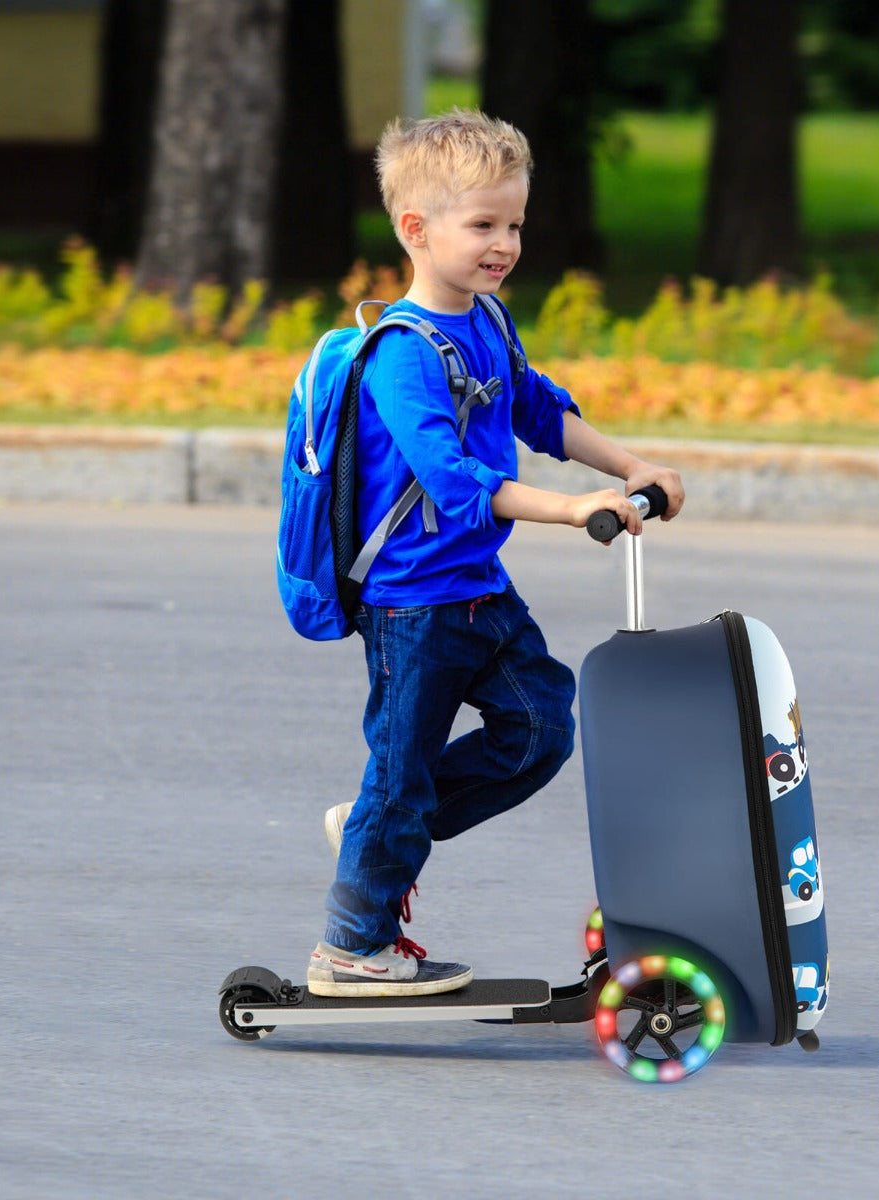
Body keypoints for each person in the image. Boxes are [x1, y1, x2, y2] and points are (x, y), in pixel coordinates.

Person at [307, 108, 684, 997]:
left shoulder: (490, 321)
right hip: (414, 606)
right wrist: (574, 508)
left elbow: (540, 410)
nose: (504, 243)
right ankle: (351, 950)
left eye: (513, 223)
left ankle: (376, 826)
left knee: (540, 730)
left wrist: (632, 466)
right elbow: (456, 481)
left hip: (479, 588)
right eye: (483, 224)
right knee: (401, 776)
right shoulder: (400, 355)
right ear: (416, 229)